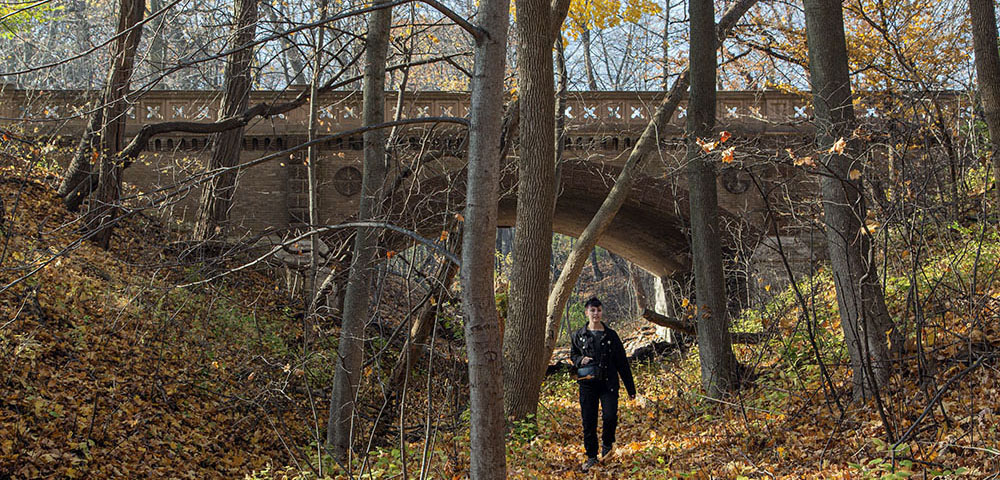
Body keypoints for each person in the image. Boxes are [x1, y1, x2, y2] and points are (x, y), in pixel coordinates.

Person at [570, 296, 637, 472]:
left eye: (599, 310)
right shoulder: (578, 335)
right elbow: (573, 355)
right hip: (587, 383)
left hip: (609, 382)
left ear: (602, 312)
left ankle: (607, 446)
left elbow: (622, 363)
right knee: (589, 421)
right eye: (592, 310)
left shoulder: (611, 336)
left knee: (610, 416)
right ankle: (591, 456)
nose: (596, 314)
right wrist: (580, 360)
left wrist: (631, 389)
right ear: (587, 312)